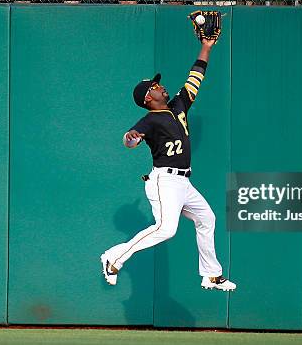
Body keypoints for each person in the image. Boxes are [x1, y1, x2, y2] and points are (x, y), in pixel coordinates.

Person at [100, 36, 236, 292]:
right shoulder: (149, 120)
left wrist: (206, 47)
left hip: (183, 181)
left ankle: (211, 275)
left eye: (158, 84)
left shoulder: (178, 105)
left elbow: (195, 78)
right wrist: (131, 139)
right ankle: (114, 258)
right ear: (147, 99)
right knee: (166, 229)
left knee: (207, 218)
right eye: (154, 86)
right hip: (165, 180)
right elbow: (130, 139)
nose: (160, 86)